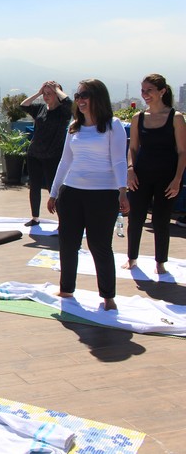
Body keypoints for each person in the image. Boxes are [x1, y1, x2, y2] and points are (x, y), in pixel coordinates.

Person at [47, 79, 129, 311]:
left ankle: (108, 296)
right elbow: (65, 161)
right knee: (68, 243)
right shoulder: (74, 127)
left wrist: (123, 191)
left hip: (103, 195)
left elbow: (119, 161)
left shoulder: (113, 125)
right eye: (78, 96)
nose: (80, 100)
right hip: (72, 193)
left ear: (98, 98)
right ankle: (66, 288)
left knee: (99, 245)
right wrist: (54, 192)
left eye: (85, 95)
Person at [124, 74, 186, 274]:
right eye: (143, 90)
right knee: (135, 217)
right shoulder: (138, 118)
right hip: (141, 175)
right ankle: (132, 258)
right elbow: (132, 148)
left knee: (161, 220)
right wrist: (131, 169)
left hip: (167, 177)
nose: (145, 94)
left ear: (162, 91)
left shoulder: (176, 117)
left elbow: (183, 151)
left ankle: (160, 262)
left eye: (149, 90)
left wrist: (177, 179)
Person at [21, 81, 73, 226]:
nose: (46, 96)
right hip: (34, 154)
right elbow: (23, 105)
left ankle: (62, 220)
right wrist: (38, 92)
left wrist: (56, 89)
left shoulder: (64, 112)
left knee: (54, 188)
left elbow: (70, 103)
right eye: (45, 94)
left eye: (50, 94)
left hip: (53, 155)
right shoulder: (40, 109)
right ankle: (35, 217)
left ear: (57, 95)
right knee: (34, 186)